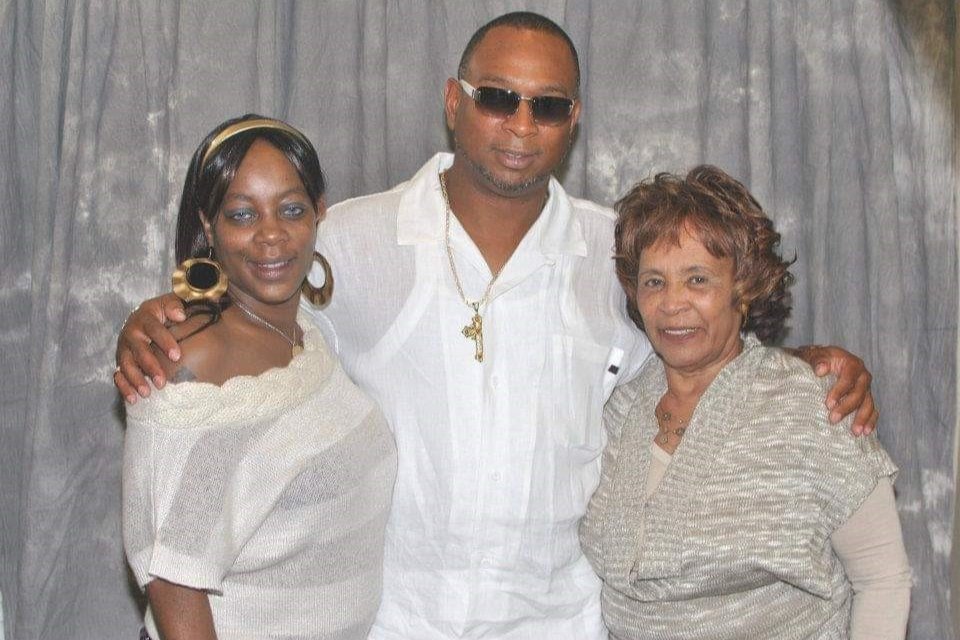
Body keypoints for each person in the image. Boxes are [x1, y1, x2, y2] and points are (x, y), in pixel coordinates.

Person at [115, 13, 879, 640]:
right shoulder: (350, 240)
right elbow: (253, 313)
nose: (520, 124)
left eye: (547, 105)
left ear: (573, 119)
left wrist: (807, 365)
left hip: (561, 622)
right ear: (454, 100)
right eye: (497, 97)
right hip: (395, 623)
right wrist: (163, 322)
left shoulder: (617, 254)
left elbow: (703, 353)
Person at [579, 166, 911, 639]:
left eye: (697, 279)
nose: (672, 303)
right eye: (654, 282)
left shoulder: (813, 407)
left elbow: (882, 579)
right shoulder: (615, 405)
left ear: (745, 288)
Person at [121, 114, 397, 640]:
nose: (271, 234)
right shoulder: (191, 363)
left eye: (291, 209)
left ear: (319, 212)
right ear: (209, 227)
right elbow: (173, 579)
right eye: (242, 214)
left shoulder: (304, 335)